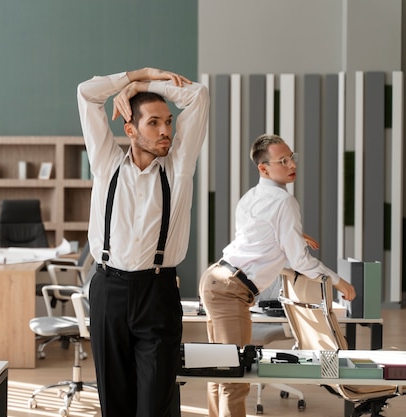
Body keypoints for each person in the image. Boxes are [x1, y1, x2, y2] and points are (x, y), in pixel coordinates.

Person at [76, 67, 209, 417]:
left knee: (155, 403)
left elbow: (198, 95)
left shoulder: (178, 168)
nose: (166, 130)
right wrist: (135, 75)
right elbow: (87, 92)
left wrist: (143, 85)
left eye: (169, 121)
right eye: (154, 122)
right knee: (114, 402)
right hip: (109, 291)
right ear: (130, 128)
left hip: (158, 292)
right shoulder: (105, 164)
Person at [198, 133, 357, 417]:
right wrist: (337, 280)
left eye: (291, 157)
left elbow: (260, 243)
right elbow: (299, 260)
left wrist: (292, 236)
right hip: (229, 290)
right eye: (282, 160)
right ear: (264, 168)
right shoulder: (284, 203)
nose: (291, 164)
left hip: (216, 279)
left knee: (219, 369)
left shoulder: (250, 197)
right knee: (234, 377)